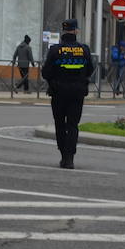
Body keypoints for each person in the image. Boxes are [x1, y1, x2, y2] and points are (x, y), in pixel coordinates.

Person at [42, 19, 95, 169]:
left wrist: (54, 80)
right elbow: (90, 69)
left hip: (58, 92)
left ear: (63, 31)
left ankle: (63, 156)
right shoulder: (84, 49)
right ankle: (70, 158)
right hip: (77, 93)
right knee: (72, 125)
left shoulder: (55, 50)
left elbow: (46, 72)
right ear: (76, 31)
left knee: (60, 124)